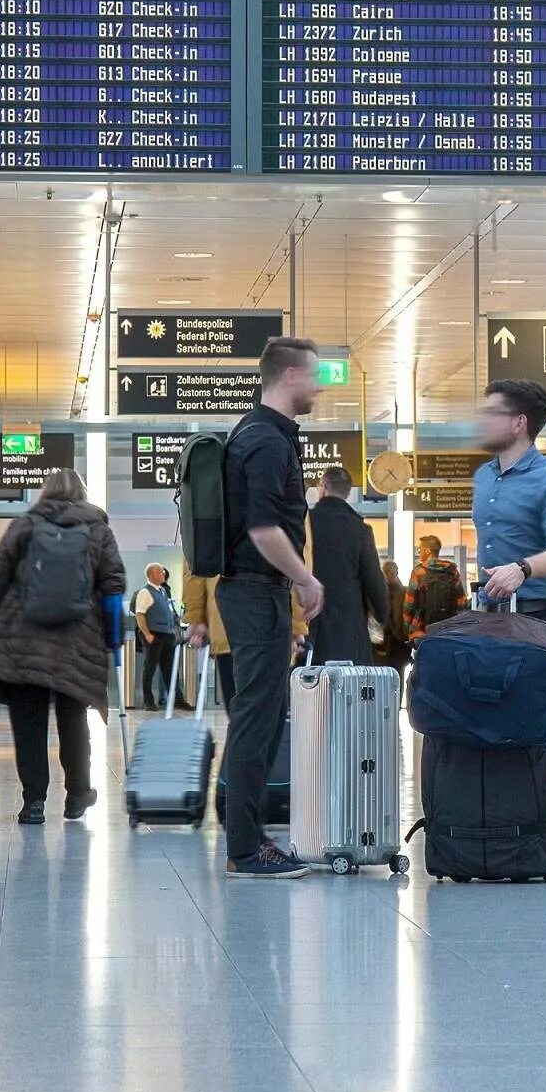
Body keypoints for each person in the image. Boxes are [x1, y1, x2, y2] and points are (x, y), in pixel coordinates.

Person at [200, 337, 325, 878]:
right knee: (256, 720)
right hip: (256, 590)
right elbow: (264, 527)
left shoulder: (252, 433)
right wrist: (305, 580)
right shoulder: (268, 442)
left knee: (263, 717)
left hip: (251, 591)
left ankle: (249, 841)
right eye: (316, 376)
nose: (320, 387)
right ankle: (245, 850)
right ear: (291, 376)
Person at [0, 467, 124, 825]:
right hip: (77, 640)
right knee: (73, 721)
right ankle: (77, 795)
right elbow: (114, 584)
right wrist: (113, 638)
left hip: (22, 639)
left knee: (28, 724)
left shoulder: (23, 526)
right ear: (82, 493)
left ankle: (34, 803)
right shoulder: (98, 529)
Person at [472, 378, 546, 628]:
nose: (484, 420)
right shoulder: (484, 476)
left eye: (493, 413)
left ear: (519, 423)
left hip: (545, 618)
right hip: (493, 616)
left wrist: (522, 569)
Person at [304, 464, 387, 665]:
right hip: (349, 627)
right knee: (349, 688)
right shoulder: (360, 530)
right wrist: (382, 616)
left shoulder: (306, 523)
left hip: (309, 621)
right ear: (349, 492)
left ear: (322, 486)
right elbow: (374, 581)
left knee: (308, 687)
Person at [134, 563, 180, 708]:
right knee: (150, 668)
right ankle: (148, 701)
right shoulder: (145, 592)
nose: (163, 574)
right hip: (154, 635)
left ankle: (178, 700)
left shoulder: (163, 591)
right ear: (152, 575)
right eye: (160, 572)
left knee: (169, 669)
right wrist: (147, 634)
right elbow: (140, 614)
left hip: (166, 635)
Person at [406, 535, 465, 644]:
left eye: (419, 550)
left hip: (423, 631)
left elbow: (409, 604)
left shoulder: (419, 572)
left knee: (424, 659)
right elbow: (461, 602)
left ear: (427, 551)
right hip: (448, 630)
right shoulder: (453, 572)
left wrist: (408, 627)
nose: (419, 553)